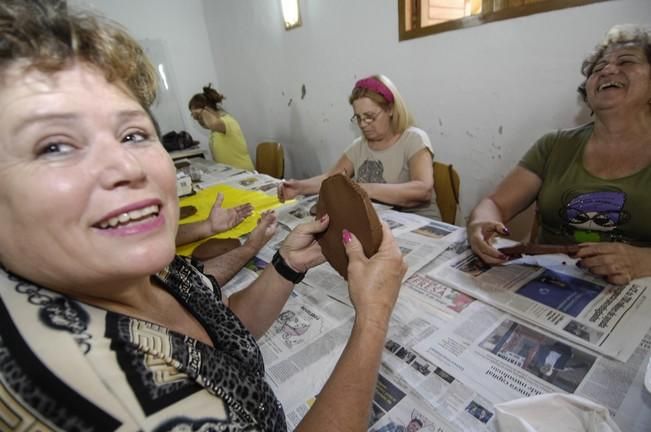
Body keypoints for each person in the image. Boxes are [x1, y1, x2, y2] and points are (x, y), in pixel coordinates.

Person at [0, 2, 407, 431]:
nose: (127, 167)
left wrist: (287, 265)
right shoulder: (87, 392)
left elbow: (222, 330)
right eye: (54, 146)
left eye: (134, 134)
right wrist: (373, 318)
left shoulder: (151, 268)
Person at [467, 24, 651, 286]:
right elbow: (495, 204)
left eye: (626, 61)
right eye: (597, 69)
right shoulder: (553, 145)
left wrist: (640, 261)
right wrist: (481, 223)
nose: (608, 70)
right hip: (549, 284)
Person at [277, 74, 440, 220]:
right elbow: (332, 179)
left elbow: (423, 190)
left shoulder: (414, 139)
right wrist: (299, 187)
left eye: (370, 117)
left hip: (418, 224)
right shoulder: (360, 146)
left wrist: (365, 189)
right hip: (382, 222)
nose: (363, 124)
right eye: (358, 117)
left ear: (390, 109)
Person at [188, 84, 255, 171]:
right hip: (230, 172)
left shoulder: (227, 121)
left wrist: (202, 111)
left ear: (207, 109)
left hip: (243, 172)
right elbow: (208, 125)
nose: (199, 120)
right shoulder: (215, 130)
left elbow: (212, 124)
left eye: (199, 117)